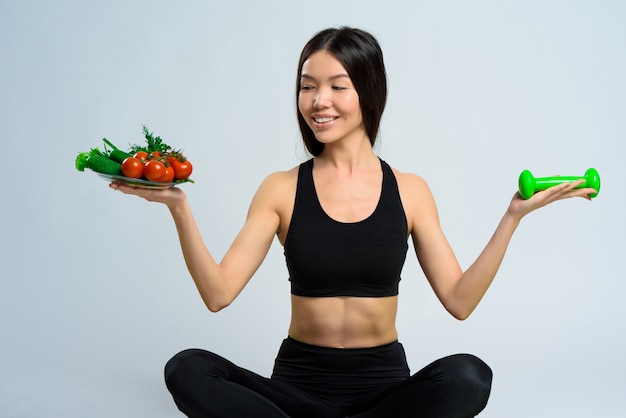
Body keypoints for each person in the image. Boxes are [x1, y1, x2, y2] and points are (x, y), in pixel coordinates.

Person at [110, 27, 596, 418]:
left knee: (469, 375)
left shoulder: (410, 190)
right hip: (295, 390)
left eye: (336, 86)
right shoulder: (280, 188)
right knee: (187, 368)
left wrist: (512, 217)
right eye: (307, 86)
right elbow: (218, 294)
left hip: (384, 392)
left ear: (368, 90)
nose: (318, 100)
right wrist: (179, 207)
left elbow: (460, 301)